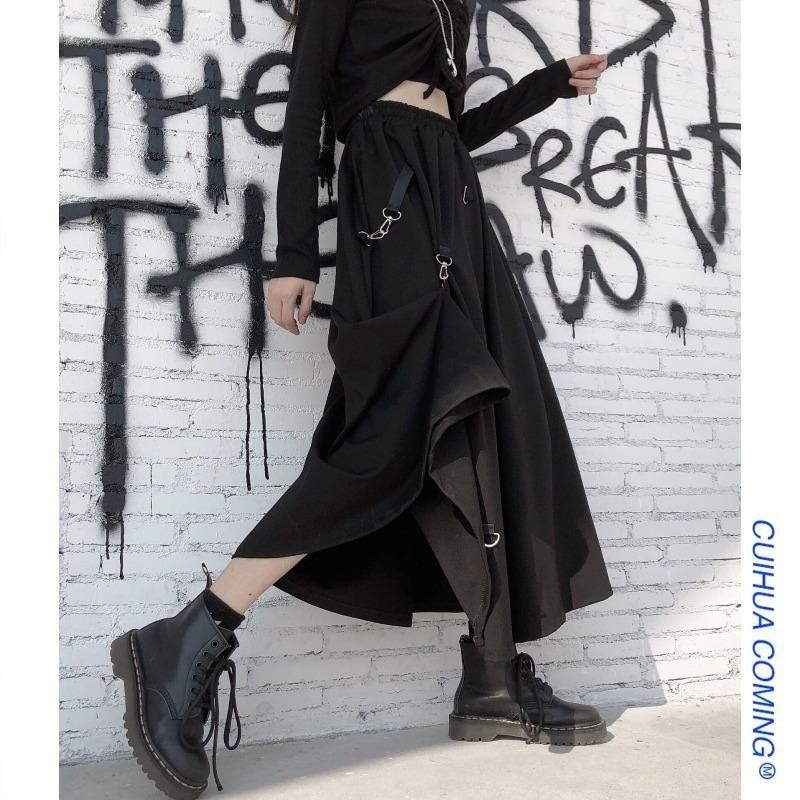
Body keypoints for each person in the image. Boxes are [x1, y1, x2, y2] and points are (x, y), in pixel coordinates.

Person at [110, 1, 613, 797]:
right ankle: (189, 632)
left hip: (450, 198)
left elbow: (451, 127)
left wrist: (546, 87)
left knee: (484, 420)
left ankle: (490, 680)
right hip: (390, 195)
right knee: (391, 431)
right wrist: (294, 254)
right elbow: (309, 104)